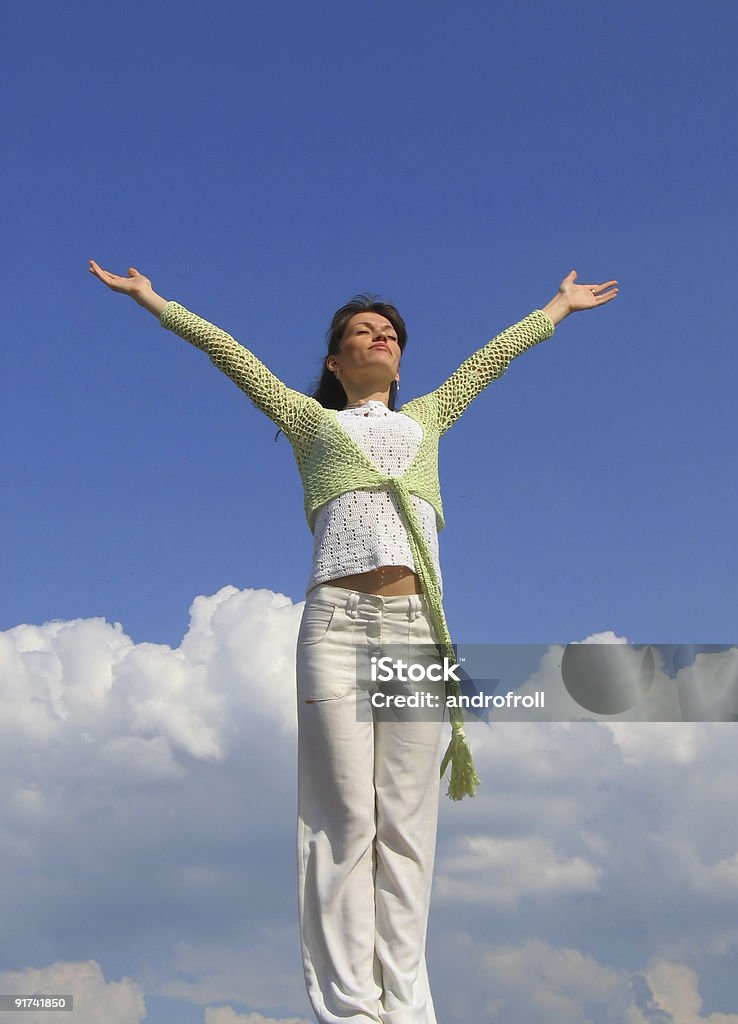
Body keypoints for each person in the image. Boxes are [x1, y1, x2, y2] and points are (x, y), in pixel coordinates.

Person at [88, 260, 618, 1024]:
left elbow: (489, 362)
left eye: (392, 332)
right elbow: (230, 355)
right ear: (335, 362)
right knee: (344, 825)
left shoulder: (428, 418)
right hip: (336, 628)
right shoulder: (314, 425)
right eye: (363, 331)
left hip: (414, 634)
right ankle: (349, 1012)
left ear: (400, 361)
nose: (383, 336)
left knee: (406, 827)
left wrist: (558, 309)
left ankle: (407, 1009)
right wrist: (153, 302)